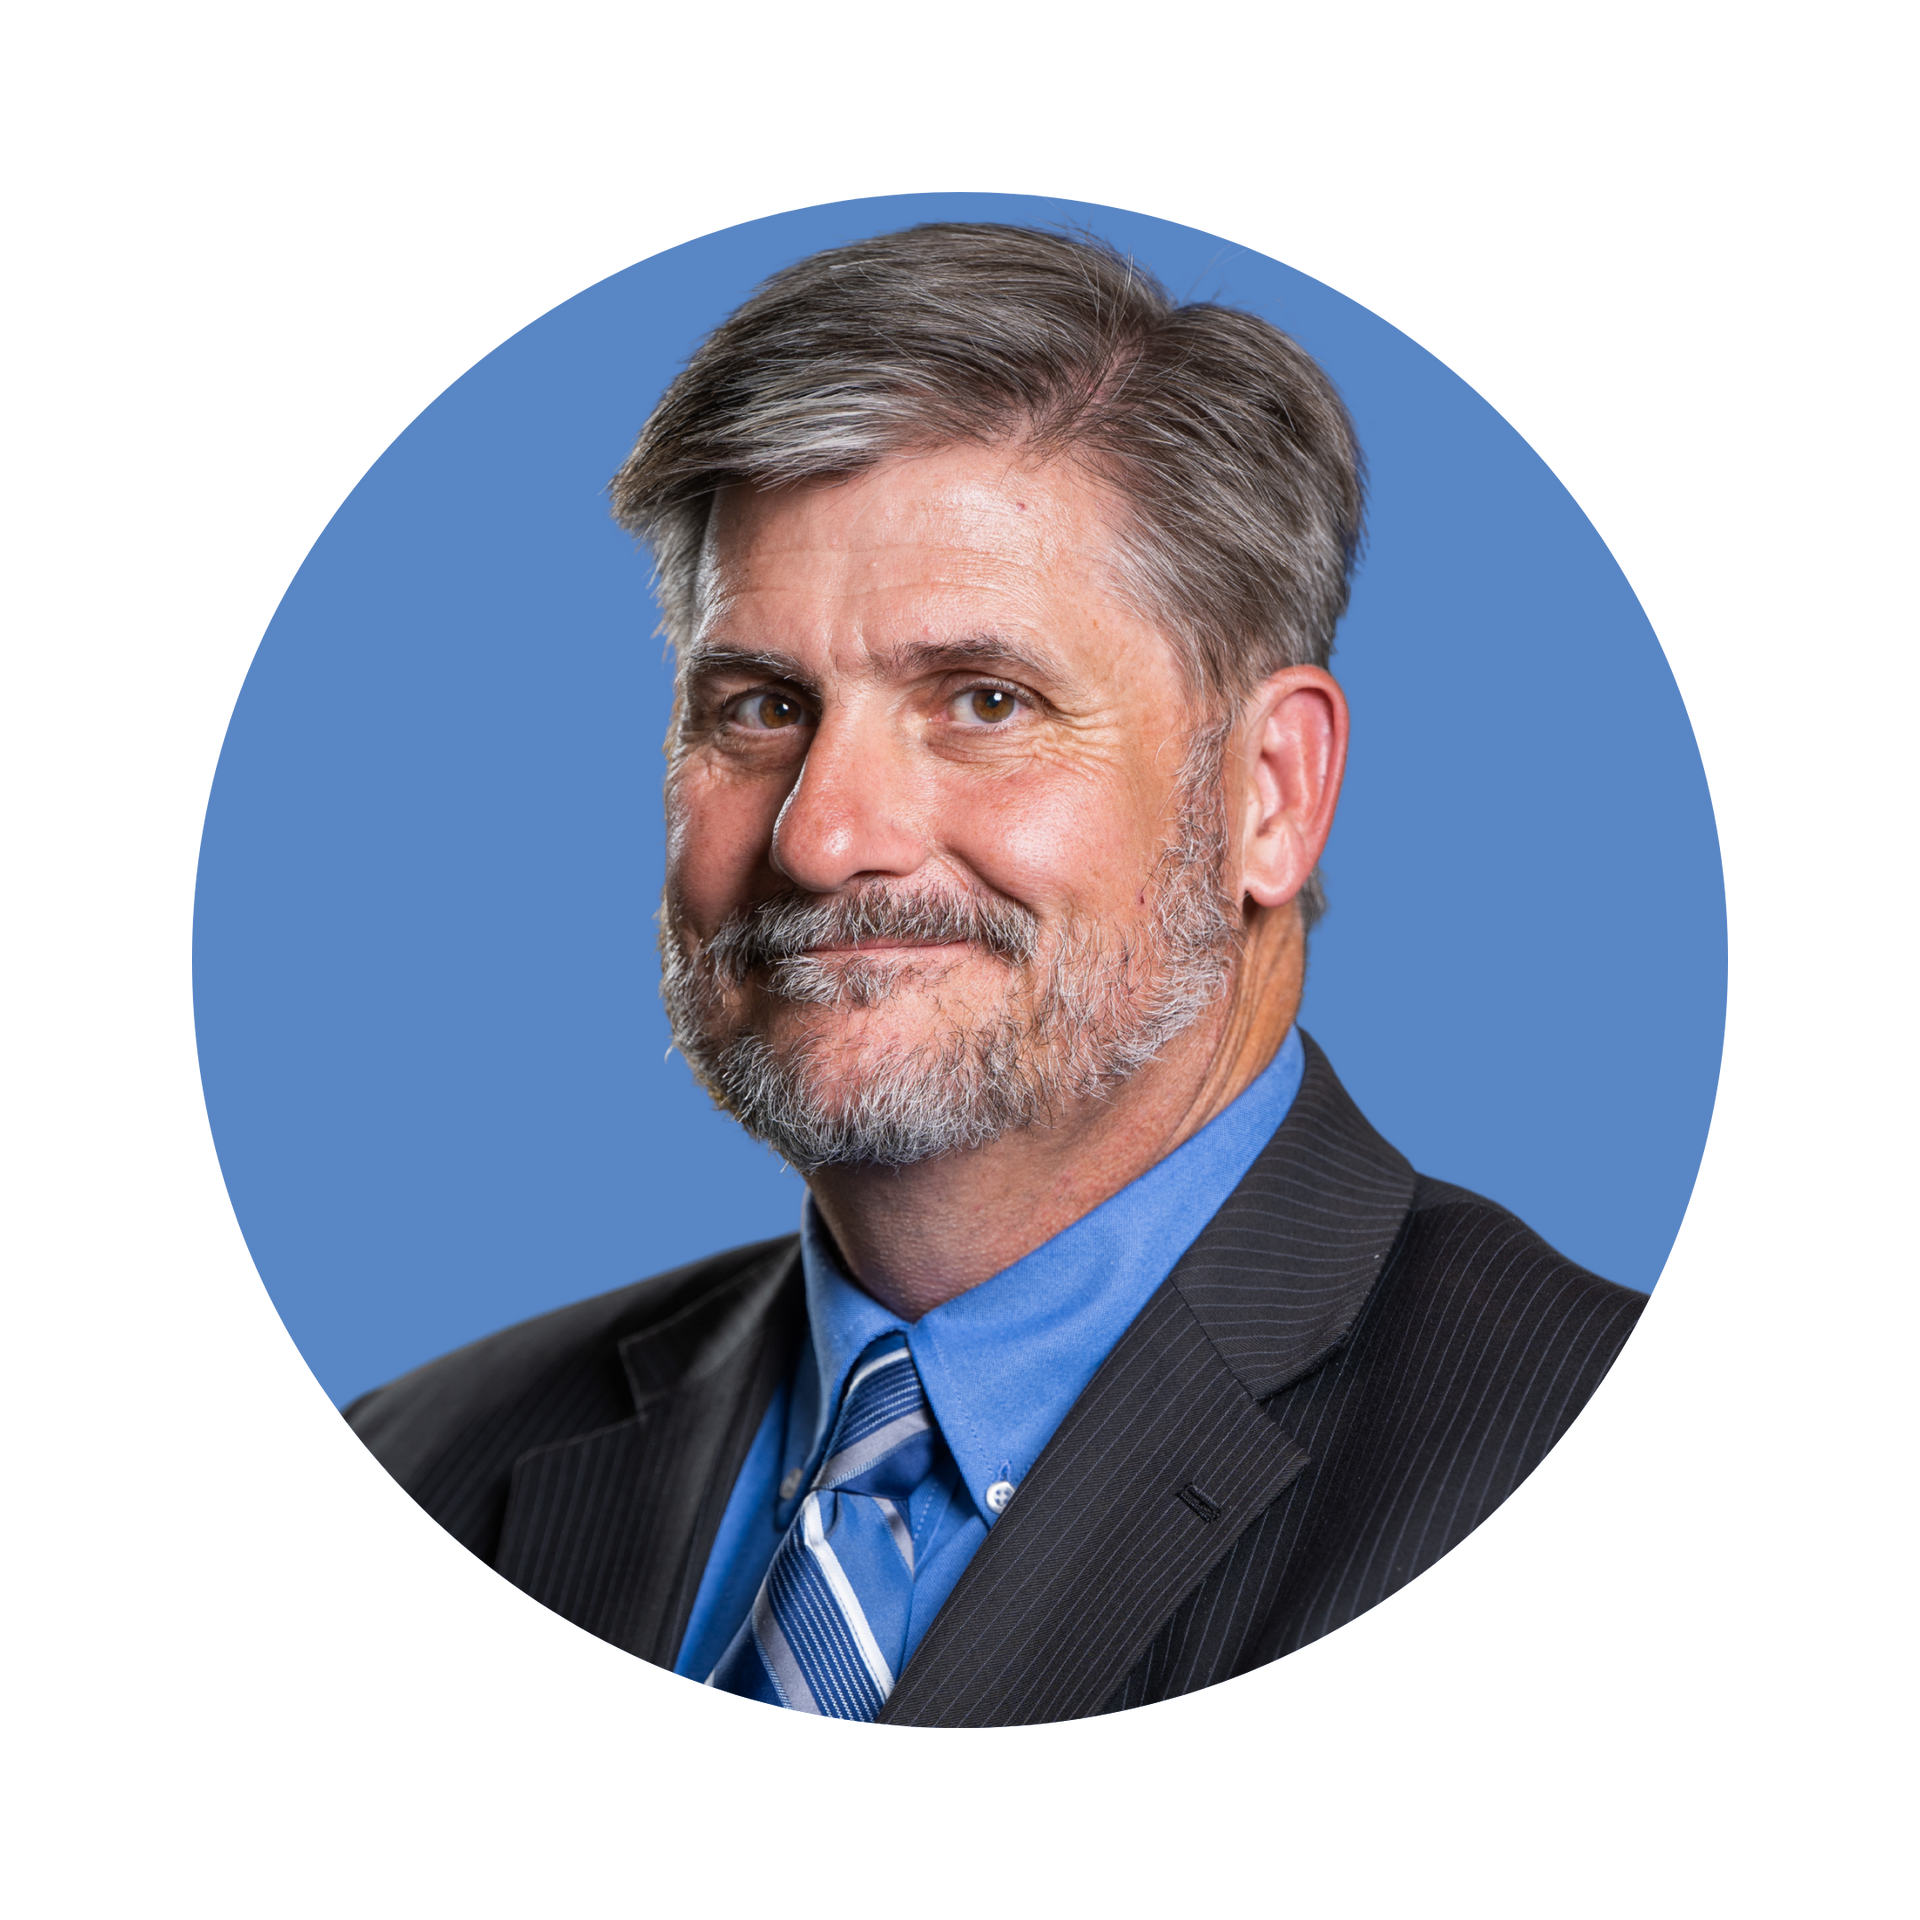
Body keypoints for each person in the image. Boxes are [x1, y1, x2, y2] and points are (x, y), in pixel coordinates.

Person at [344, 223, 1648, 1727]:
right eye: (761, 706)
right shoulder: (429, 1456)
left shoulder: (1540, 1430)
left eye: (984, 699)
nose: (825, 835)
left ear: (1270, 793)